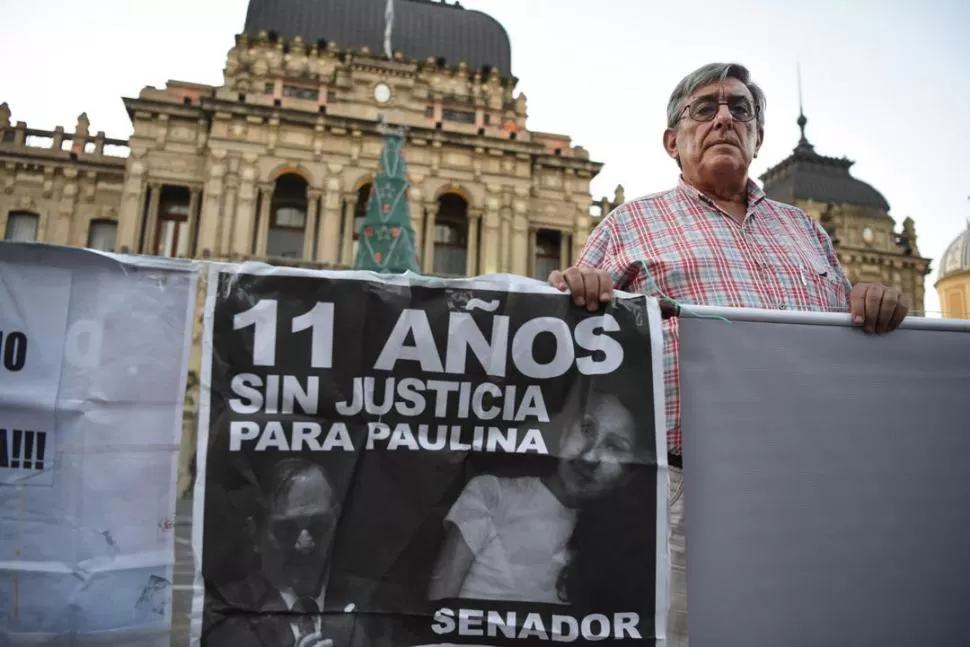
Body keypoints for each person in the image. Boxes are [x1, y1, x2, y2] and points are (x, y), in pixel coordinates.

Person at [549, 62, 910, 646]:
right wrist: (578, 292)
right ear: (673, 141)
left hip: (812, 486)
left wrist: (868, 301)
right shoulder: (630, 223)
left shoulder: (806, 231)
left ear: (758, 137)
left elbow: (844, 339)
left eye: (740, 110)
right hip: (685, 490)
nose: (724, 118)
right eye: (704, 109)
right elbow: (571, 335)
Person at [427, 389, 657, 617]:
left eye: (614, 447)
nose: (589, 457)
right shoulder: (490, 493)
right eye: (587, 428)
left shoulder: (616, 551)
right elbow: (437, 610)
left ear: (628, 473)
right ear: (565, 432)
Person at [203, 457, 367, 647]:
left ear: (337, 522)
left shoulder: (374, 604)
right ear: (256, 532)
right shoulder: (224, 614)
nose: (304, 545)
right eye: (286, 530)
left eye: (319, 526)